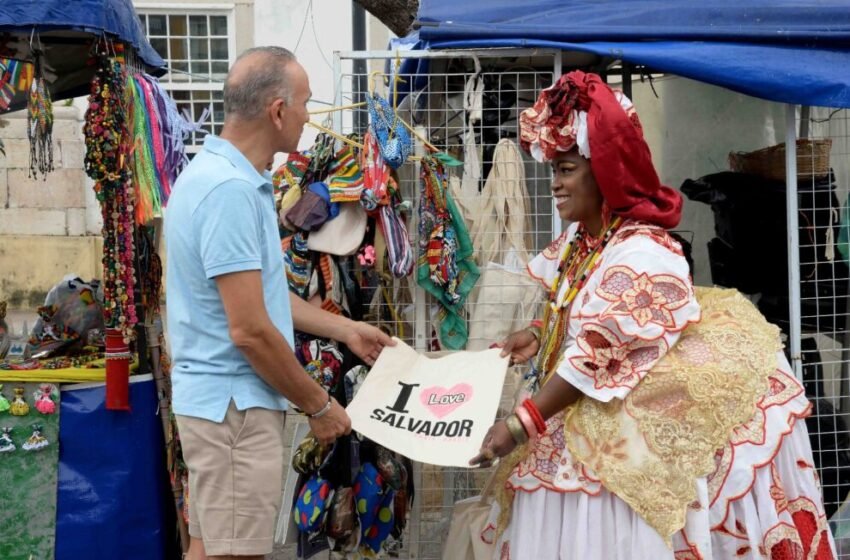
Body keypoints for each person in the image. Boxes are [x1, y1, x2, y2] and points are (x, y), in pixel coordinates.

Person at [470, 71, 836, 559]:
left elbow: (599, 354)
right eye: (553, 170)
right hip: (587, 414)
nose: (555, 184)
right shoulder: (585, 242)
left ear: (606, 170)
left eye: (566, 169)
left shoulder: (643, 253)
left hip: (618, 425)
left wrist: (520, 425)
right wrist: (539, 332)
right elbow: (580, 308)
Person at [165, 46, 393, 560]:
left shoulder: (223, 177)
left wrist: (346, 331)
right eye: (306, 102)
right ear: (277, 110)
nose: (310, 117)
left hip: (220, 406)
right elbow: (249, 330)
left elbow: (264, 300)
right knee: (234, 553)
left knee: (209, 546)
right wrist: (318, 403)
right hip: (233, 411)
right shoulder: (229, 192)